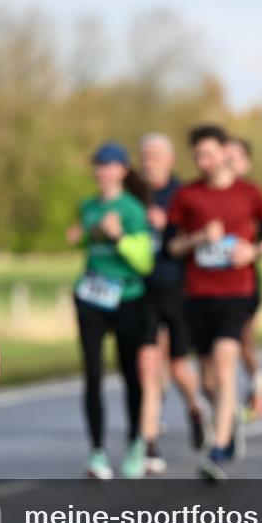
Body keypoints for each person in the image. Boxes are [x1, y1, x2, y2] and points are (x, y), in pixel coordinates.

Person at [165, 125, 262, 481]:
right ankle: (229, 421)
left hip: (237, 292)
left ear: (226, 151)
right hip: (197, 295)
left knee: (226, 362)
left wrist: (253, 250)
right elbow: (171, 247)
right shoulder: (186, 195)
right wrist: (199, 237)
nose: (203, 161)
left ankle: (217, 448)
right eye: (197, 155)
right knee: (209, 381)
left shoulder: (250, 193)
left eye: (209, 154)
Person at [67, 142, 154, 480]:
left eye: (109, 166)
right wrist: (82, 235)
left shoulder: (132, 209)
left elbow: (144, 262)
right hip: (90, 297)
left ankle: (135, 444)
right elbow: (88, 239)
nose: (102, 172)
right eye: (98, 166)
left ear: (123, 170)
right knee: (92, 375)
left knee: (131, 374)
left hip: (127, 298)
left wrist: (119, 238)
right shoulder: (88, 205)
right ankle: (97, 453)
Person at [137, 133, 206, 468]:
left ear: (169, 160)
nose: (148, 161)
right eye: (144, 155)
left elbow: (200, 239)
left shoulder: (184, 195)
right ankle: (149, 444)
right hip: (141, 291)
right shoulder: (134, 193)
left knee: (178, 367)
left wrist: (169, 229)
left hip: (177, 289)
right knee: (148, 367)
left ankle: (195, 407)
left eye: (155, 155)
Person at [226, 136, 262, 421]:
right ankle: (224, 407)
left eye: (235, 158)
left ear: (247, 163)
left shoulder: (252, 196)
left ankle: (256, 380)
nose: (229, 163)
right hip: (207, 285)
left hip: (245, 282)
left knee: (242, 343)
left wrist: (252, 251)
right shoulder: (206, 192)